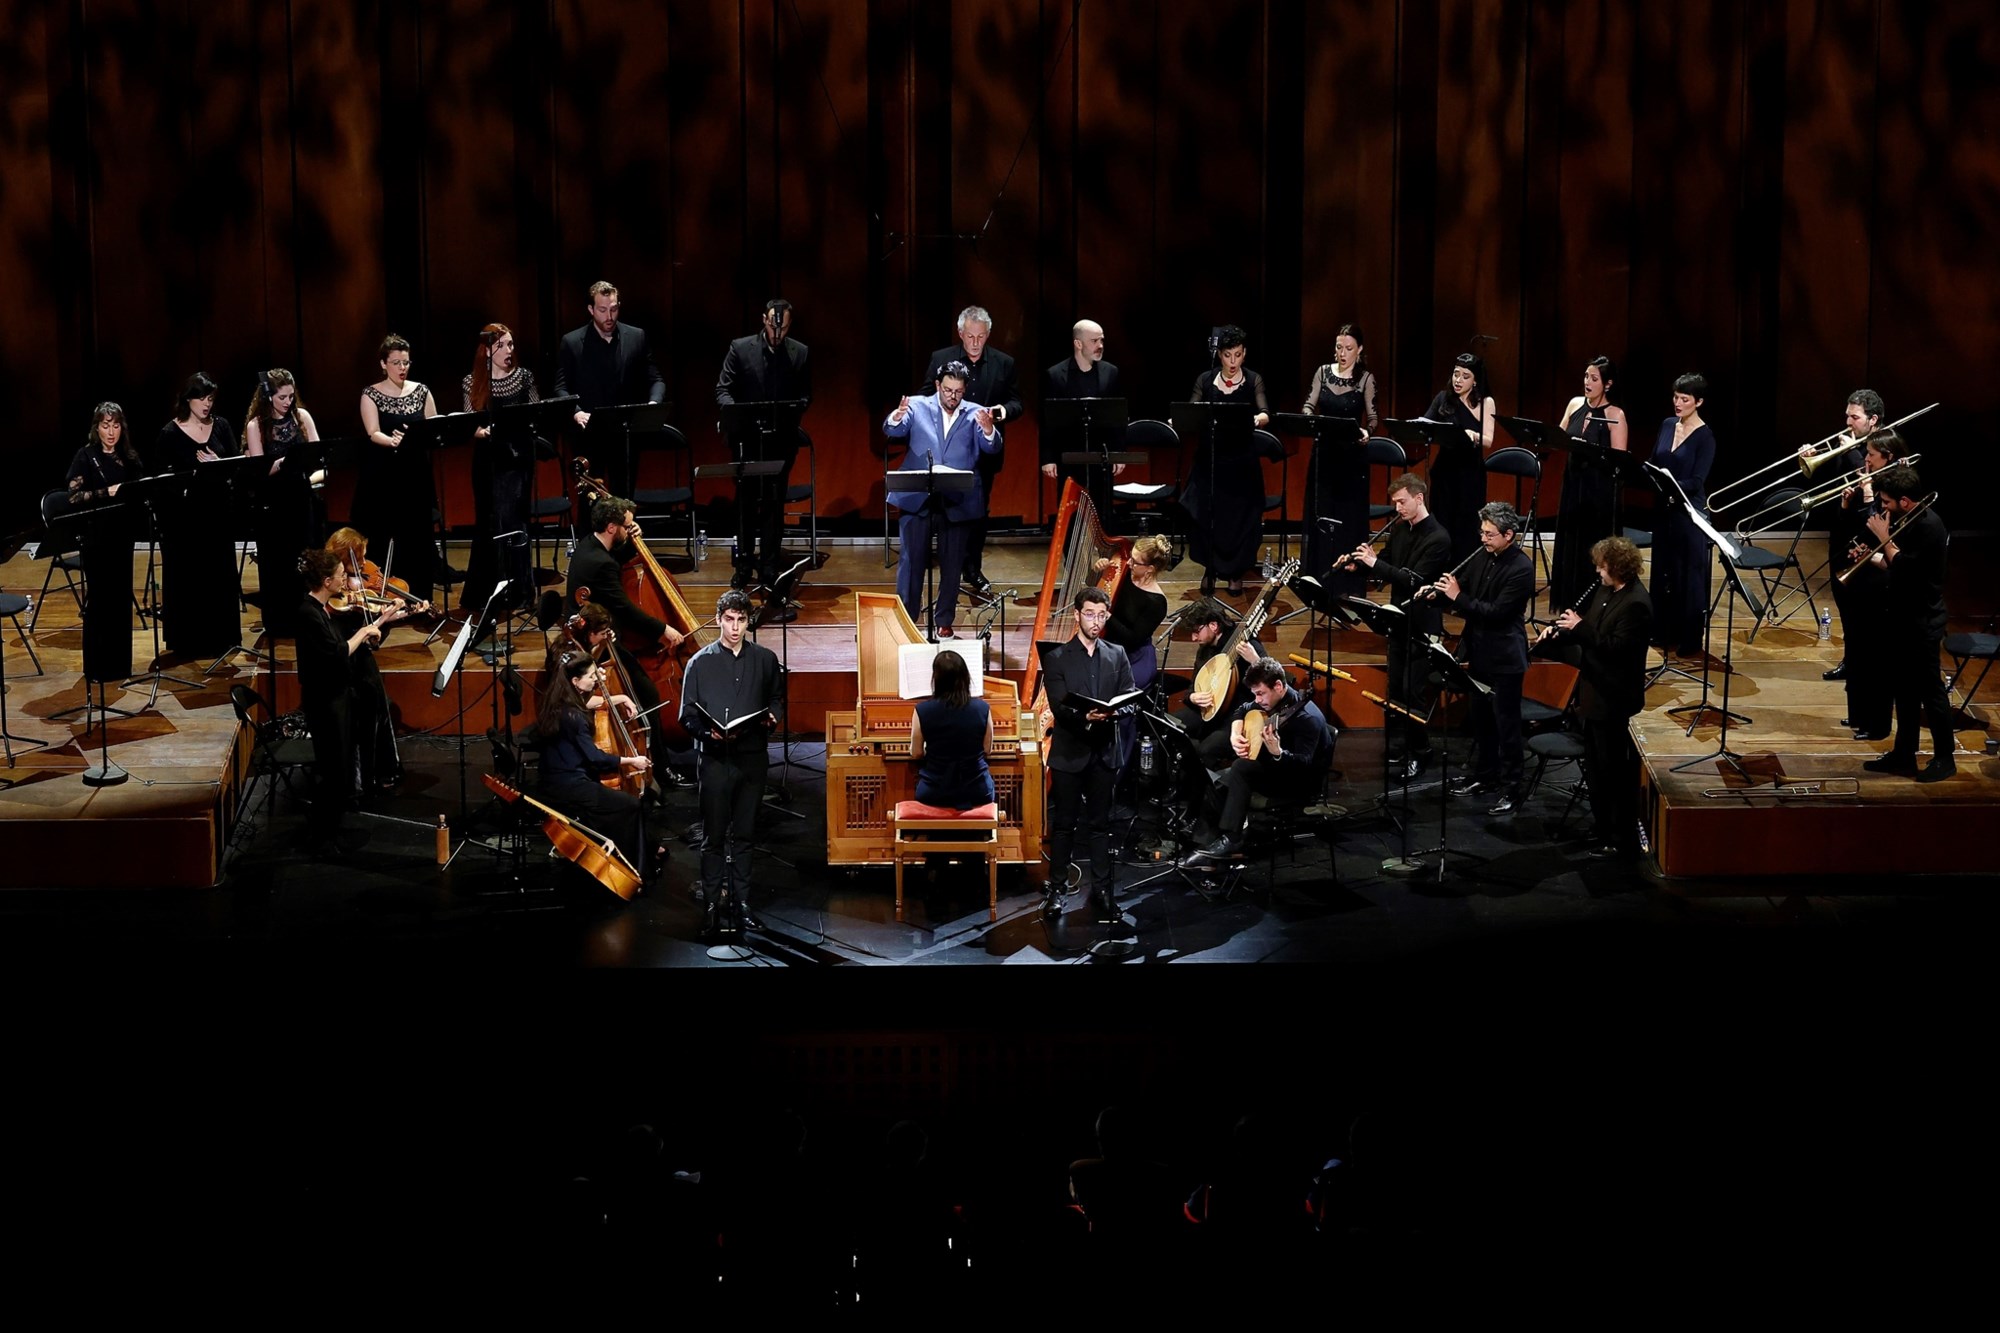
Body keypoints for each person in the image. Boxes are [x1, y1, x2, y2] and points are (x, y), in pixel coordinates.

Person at [1536, 536, 1652, 858]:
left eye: (1602, 566)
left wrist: (1580, 628)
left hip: (1613, 698)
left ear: (1617, 567)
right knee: (1596, 770)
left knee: (1612, 772)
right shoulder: (1606, 591)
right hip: (1593, 694)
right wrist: (1560, 632)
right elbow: (1587, 630)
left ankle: (1618, 837)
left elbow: (1616, 650)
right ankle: (1603, 827)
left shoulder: (1636, 604)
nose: (1597, 571)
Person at [679, 589, 785, 934]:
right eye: (729, 620)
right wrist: (707, 733)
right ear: (718, 620)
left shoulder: (765, 659)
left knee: (745, 835)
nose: (735, 627)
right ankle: (711, 908)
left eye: (741, 620)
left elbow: (776, 698)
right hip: (715, 761)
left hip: (752, 759)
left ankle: (742, 905)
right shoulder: (699, 663)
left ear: (748, 621)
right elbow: (687, 715)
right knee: (713, 838)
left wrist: (773, 716)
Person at [884, 360, 1000, 638]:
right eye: (947, 390)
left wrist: (988, 430)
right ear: (938, 385)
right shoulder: (916, 405)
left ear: (965, 389)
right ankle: (908, 622)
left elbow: (992, 447)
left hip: (957, 498)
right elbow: (893, 430)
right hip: (918, 496)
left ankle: (944, 621)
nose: (952, 396)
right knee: (911, 562)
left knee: (952, 563)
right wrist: (897, 416)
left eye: (958, 391)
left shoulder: (976, 412)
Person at [1857, 465, 1956, 783]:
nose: (1882, 507)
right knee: (1904, 690)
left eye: (1886, 502)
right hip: (1902, 617)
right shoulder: (1910, 519)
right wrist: (1873, 555)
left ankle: (1945, 758)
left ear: (1904, 501)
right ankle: (1904, 753)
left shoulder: (1929, 527)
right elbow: (1894, 565)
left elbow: (1907, 569)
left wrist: (1884, 538)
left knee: (1931, 692)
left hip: (1922, 621)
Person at [1040, 586, 1134, 923]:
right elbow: (1059, 706)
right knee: (1064, 825)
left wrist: (1116, 711)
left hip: (1104, 752)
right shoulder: (1057, 657)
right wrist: (1086, 716)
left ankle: (1102, 891)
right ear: (1077, 615)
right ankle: (1057, 890)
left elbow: (1129, 697)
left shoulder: (1117, 654)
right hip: (1070, 753)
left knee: (1100, 824)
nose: (1096, 621)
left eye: (1101, 615)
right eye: (1090, 614)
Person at [1348, 473, 1451, 778]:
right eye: (1394, 502)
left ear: (1419, 498)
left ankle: (1421, 751)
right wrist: (1359, 566)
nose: (1397, 508)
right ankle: (1403, 746)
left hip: (1423, 624)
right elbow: (1386, 562)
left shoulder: (1439, 538)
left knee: (1412, 691)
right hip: (1398, 620)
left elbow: (1412, 579)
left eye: (1402, 502)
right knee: (1395, 689)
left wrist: (1375, 564)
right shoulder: (1401, 529)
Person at [1184, 657, 1333, 862]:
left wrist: (1278, 753)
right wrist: (1235, 733)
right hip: (1278, 766)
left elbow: (1304, 765)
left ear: (1278, 686)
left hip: (1298, 780)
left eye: (1260, 693)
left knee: (1240, 768)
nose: (1258, 699)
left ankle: (1232, 839)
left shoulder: (1307, 718)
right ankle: (1208, 845)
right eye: (1255, 694)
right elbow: (1243, 709)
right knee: (1215, 783)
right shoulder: (1275, 698)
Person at [1439, 502, 1534, 814]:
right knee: (1481, 720)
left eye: (1490, 534)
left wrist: (1457, 597)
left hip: (1505, 658)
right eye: (1481, 532)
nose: (1483, 539)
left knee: (1507, 726)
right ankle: (1485, 776)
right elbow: (1463, 587)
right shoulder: (1483, 555)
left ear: (1509, 535)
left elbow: (1495, 613)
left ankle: (1512, 788)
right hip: (1479, 652)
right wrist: (1439, 593)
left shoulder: (1521, 568)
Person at [534, 651, 656, 885]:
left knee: (617, 803)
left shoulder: (558, 701)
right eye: (591, 676)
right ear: (576, 681)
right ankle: (637, 869)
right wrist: (631, 760)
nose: (596, 680)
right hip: (570, 785)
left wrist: (619, 697)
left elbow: (594, 702)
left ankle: (641, 853)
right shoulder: (575, 716)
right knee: (631, 805)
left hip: (552, 779)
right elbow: (596, 758)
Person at [715, 298, 812, 590]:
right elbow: (723, 390)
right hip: (746, 440)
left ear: (790, 325)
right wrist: (734, 414)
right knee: (745, 503)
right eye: (772, 326)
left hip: (780, 441)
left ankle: (769, 566)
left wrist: (794, 409)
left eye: (783, 328)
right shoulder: (740, 348)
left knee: (773, 503)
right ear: (764, 320)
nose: (777, 334)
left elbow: (805, 395)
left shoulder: (799, 352)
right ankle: (744, 564)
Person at [926, 306, 1023, 597]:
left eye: (981, 336)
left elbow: (1017, 403)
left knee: (978, 513)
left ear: (988, 334)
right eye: (970, 336)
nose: (975, 342)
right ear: (960, 333)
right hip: (947, 450)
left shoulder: (1004, 363)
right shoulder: (941, 359)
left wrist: (1001, 412)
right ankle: (949, 570)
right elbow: (924, 395)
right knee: (945, 512)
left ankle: (972, 568)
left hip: (984, 451)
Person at [565, 494, 677, 741]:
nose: (630, 530)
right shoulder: (601, 563)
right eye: (627, 526)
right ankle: (659, 759)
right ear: (611, 527)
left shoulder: (589, 545)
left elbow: (615, 555)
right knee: (648, 694)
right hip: (596, 642)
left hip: (594, 632)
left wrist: (634, 539)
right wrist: (664, 629)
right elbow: (626, 610)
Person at [295, 548, 384, 857]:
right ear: (326, 581)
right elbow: (336, 653)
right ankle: (322, 838)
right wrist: (364, 631)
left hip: (336, 697)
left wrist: (372, 628)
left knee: (340, 767)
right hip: (324, 702)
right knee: (332, 769)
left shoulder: (320, 609)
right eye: (341, 576)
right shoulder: (308, 613)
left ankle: (331, 829)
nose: (345, 580)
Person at [149, 372, 243, 657]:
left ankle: (222, 637)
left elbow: (237, 465)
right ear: (188, 399)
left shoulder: (221, 426)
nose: (206, 404)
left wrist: (218, 462)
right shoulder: (169, 433)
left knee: (219, 576)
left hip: (218, 516)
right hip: (185, 522)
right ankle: (190, 641)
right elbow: (161, 481)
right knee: (189, 580)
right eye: (201, 398)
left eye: (210, 398)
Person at [1183, 325, 1280, 596]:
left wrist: (1259, 418)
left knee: (1240, 518)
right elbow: (1192, 409)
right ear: (1220, 355)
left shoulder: (1253, 380)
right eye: (1227, 355)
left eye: (1238, 355)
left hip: (1241, 463)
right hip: (1211, 461)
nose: (1233, 361)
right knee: (1208, 514)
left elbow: (1265, 412)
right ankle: (1210, 568)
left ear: (1244, 353)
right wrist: (1183, 417)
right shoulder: (1206, 379)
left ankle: (1235, 572)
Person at [323, 527, 421, 793]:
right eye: (360, 558)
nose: (365, 564)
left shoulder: (357, 586)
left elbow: (373, 619)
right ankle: (361, 780)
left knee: (378, 710)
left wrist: (406, 612)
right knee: (363, 718)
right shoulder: (330, 596)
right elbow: (353, 633)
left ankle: (381, 771)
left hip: (362, 659)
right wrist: (377, 622)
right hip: (348, 667)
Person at [555, 279, 669, 499]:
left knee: (624, 501)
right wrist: (576, 412)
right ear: (591, 310)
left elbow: (656, 379)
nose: (609, 316)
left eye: (614, 309)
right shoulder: (572, 342)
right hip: (589, 434)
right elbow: (561, 387)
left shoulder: (636, 336)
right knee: (591, 502)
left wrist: (653, 404)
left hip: (625, 435)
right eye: (602, 310)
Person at [354, 334, 441, 606]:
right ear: (383, 364)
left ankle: (420, 599)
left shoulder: (421, 391)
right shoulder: (371, 394)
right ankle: (385, 600)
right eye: (396, 363)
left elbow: (433, 426)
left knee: (418, 535)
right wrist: (393, 442)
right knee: (384, 535)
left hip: (416, 473)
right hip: (385, 474)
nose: (402, 368)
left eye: (406, 362)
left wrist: (418, 438)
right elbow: (373, 431)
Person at [462, 322, 541, 613]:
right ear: (487, 350)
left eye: (511, 344)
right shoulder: (471, 382)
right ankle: (488, 592)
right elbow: (471, 423)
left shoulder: (523, 378)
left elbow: (535, 413)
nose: (509, 350)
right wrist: (482, 431)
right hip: (487, 460)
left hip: (516, 459)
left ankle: (520, 592)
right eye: (502, 345)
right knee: (488, 522)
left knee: (513, 522)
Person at [1835, 428, 1907, 740]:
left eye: (1872, 455)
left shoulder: (1895, 486)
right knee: (1856, 648)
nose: (1865, 459)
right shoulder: (1873, 481)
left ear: (1888, 457)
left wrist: (1865, 496)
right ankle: (1859, 715)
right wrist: (1846, 505)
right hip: (1862, 576)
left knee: (1875, 657)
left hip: (1882, 582)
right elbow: (1856, 529)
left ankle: (1877, 724)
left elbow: (1878, 527)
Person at [64, 403, 144, 684]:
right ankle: (97, 668)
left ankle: (120, 666)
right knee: (100, 601)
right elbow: (73, 496)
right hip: (96, 538)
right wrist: (104, 492)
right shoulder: (86, 456)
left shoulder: (129, 457)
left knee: (120, 600)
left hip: (122, 536)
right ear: (96, 428)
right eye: (106, 425)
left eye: (116, 425)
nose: (111, 432)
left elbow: (139, 489)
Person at [244, 369, 323, 636]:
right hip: (274, 504)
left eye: (291, 396)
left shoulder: (302, 417)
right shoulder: (257, 426)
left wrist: (307, 460)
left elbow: (317, 452)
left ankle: (309, 618)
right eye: (282, 397)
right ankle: (281, 622)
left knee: (305, 559)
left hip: (301, 497)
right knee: (279, 563)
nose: (288, 402)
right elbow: (260, 470)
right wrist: (286, 461)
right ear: (268, 397)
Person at [1548, 356, 1630, 611]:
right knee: (1570, 544)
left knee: (1592, 546)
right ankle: (1568, 605)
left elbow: (1619, 461)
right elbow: (1559, 437)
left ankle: (1591, 608)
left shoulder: (1615, 415)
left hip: (1598, 492)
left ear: (1607, 384)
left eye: (1594, 378)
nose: (1587, 382)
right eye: (1586, 376)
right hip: (1573, 486)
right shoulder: (1575, 404)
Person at [1816, 389, 1886, 685]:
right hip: (1842, 530)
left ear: (1873, 419)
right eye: (1847, 416)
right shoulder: (1849, 444)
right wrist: (1814, 458)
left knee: (1863, 608)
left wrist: (1850, 453)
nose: (1848, 422)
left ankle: (1867, 666)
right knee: (1843, 601)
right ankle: (1852, 659)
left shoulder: (1884, 445)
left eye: (1854, 417)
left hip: (1868, 535)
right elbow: (1829, 482)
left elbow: (1874, 481)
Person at [1300, 322, 1378, 582]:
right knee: (1321, 513)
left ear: (1360, 350)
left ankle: (1346, 577)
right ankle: (1318, 575)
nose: (1342, 353)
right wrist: (1309, 417)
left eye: (1348, 348)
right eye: (1339, 347)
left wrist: (1367, 432)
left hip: (1352, 460)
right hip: (1324, 456)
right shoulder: (1322, 372)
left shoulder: (1365, 379)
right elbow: (1309, 405)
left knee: (1348, 517)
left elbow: (1373, 418)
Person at [1647, 372, 1717, 660]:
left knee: (1687, 576)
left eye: (1684, 399)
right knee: (1662, 570)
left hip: (1688, 513)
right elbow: (1654, 460)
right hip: (1664, 509)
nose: (1677, 403)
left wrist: (1669, 483)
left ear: (1698, 402)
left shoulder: (1705, 436)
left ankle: (1689, 637)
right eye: (1675, 397)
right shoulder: (1667, 425)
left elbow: (1697, 481)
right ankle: (1662, 630)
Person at [1041, 318, 1124, 518]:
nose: (1100, 345)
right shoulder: (1055, 375)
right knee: (1070, 512)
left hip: (1101, 455)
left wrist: (1119, 454)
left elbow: (1118, 418)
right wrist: (1048, 458)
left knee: (1102, 513)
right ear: (1078, 343)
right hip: (1069, 455)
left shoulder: (1111, 372)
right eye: (1094, 341)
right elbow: (1048, 421)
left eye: (1102, 340)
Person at [1171, 601, 1265, 770]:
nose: (1193, 638)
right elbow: (1193, 685)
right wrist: (1192, 697)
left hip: (1236, 716)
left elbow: (1276, 682)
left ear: (1213, 625)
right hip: (1208, 710)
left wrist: (1255, 661)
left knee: (1207, 751)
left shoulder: (1246, 644)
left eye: (1196, 631)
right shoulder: (1205, 649)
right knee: (1168, 727)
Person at [1423, 352, 1497, 564]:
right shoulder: (1443, 398)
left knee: (1466, 525)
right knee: (1442, 522)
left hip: (1470, 473)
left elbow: (1488, 440)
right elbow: (1426, 424)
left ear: (1475, 381)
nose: (1458, 380)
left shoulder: (1486, 402)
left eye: (1465, 376)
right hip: (1444, 471)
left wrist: (1473, 434)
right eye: (1456, 374)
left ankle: (1464, 573)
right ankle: (1439, 570)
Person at [909, 646, 995, 811]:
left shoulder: (922, 710)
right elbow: (987, 749)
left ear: (936, 678)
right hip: (977, 790)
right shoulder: (983, 708)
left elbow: (916, 753)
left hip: (934, 792)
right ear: (965, 677)